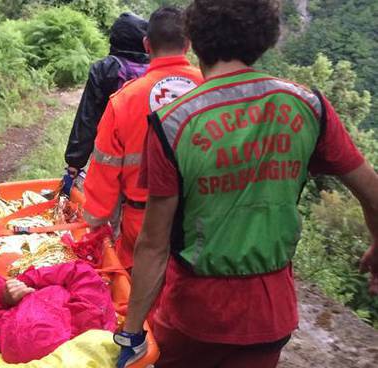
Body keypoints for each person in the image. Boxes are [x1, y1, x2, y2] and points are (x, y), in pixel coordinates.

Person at [115, 1, 378, 367]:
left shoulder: (172, 122)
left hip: (194, 314)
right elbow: (371, 190)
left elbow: (153, 245)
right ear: (265, 38)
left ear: (195, 40)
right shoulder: (308, 105)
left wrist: (131, 333)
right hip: (270, 315)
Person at [82, 7, 203, 271]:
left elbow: (104, 171)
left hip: (143, 224)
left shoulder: (125, 100)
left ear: (147, 44)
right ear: (188, 44)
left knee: (139, 301)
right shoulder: (211, 88)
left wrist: (96, 225)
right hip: (203, 222)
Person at [63, 12, 149, 188]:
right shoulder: (157, 68)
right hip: (152, 159)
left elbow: (87, 118)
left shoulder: (104, 68)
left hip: (111, 155)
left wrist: (74, 162)